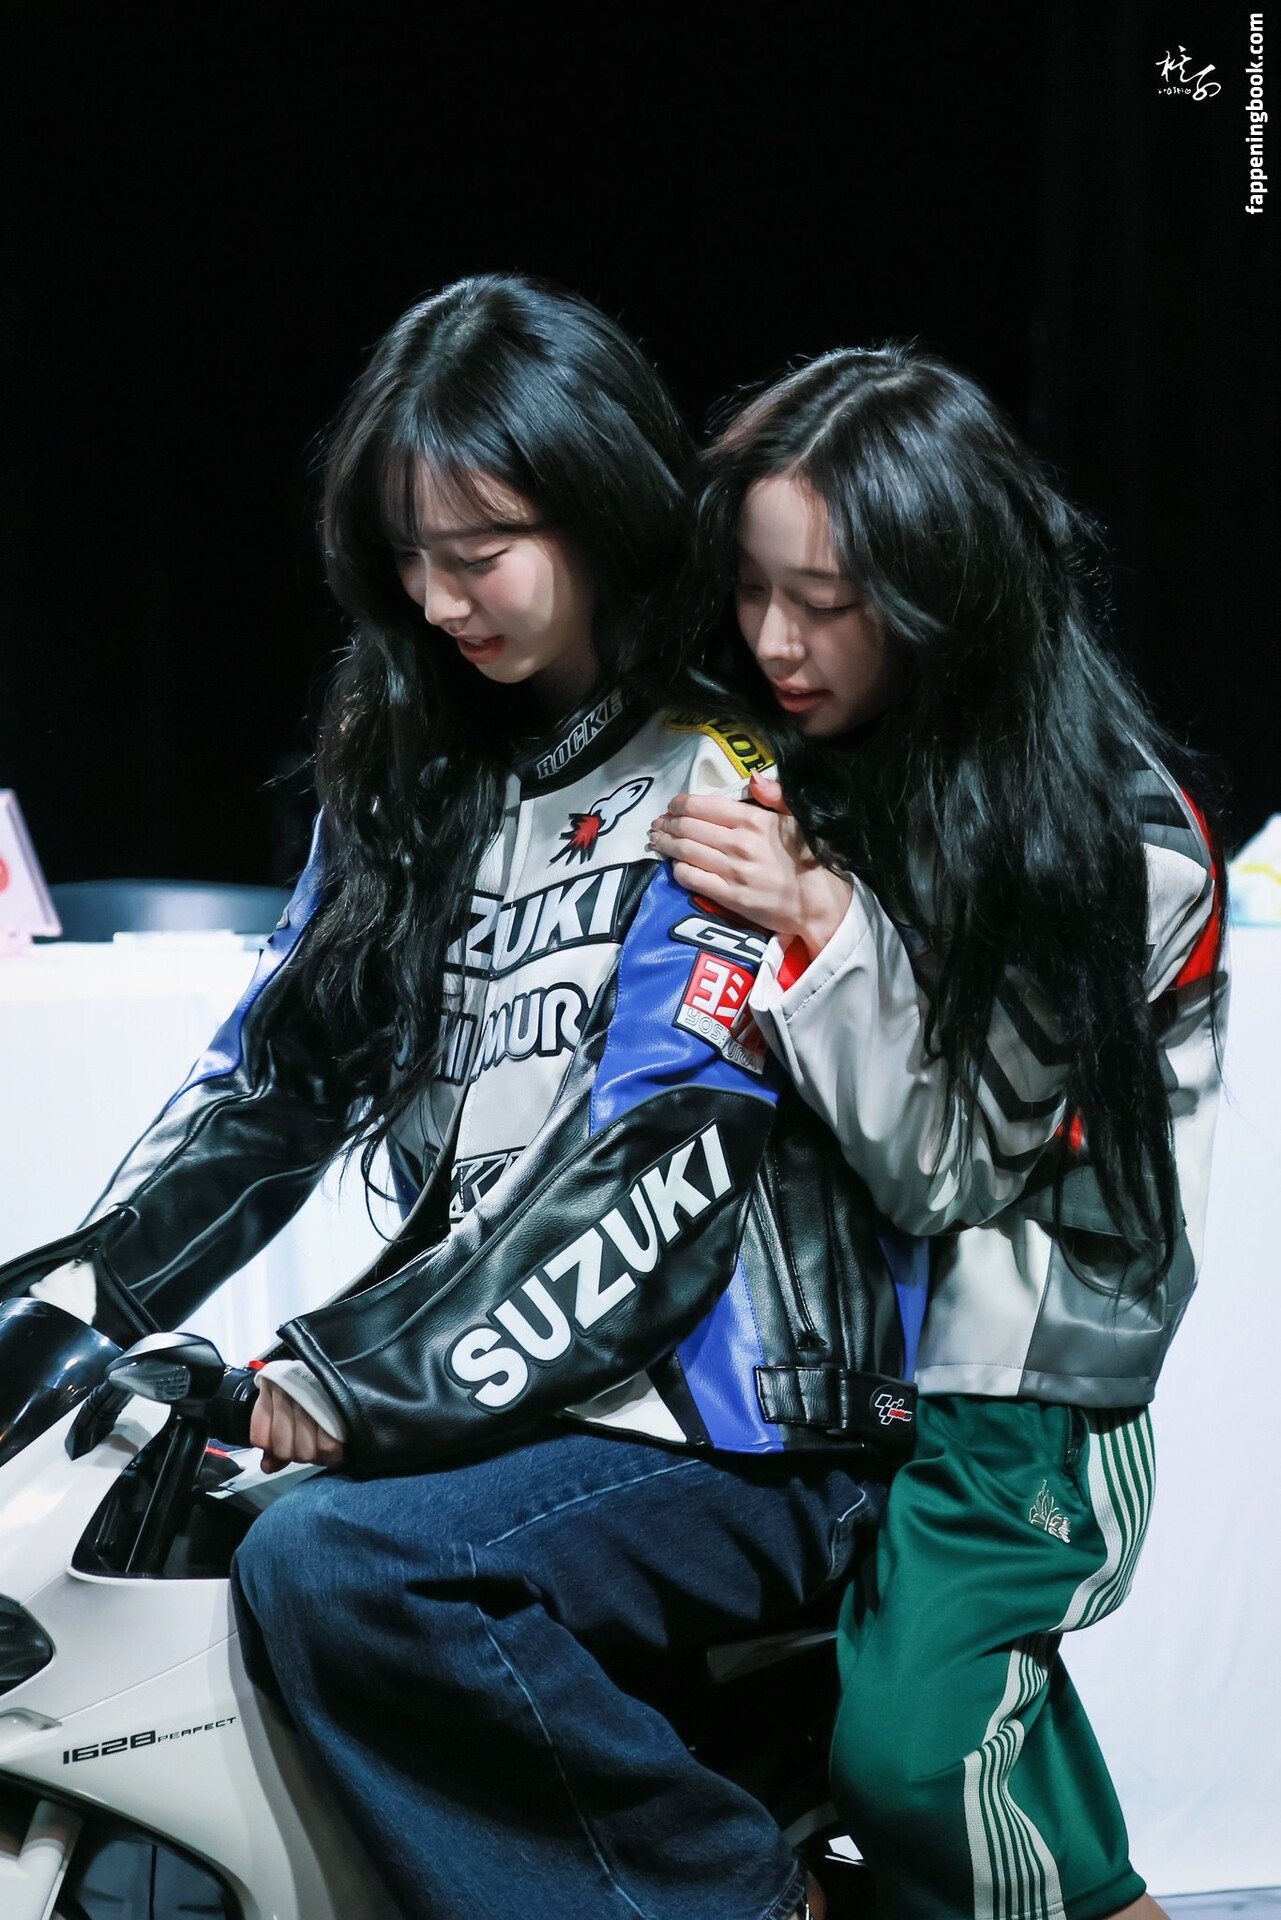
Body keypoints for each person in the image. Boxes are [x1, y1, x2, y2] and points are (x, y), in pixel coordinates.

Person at [2, 279, 918, 1920]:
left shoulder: (726, 761)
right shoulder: (413, 753)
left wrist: (366, 1378)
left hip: (743, 1424)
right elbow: (278, 1081)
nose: (435, 602)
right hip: (502, 1401)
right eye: (405, 559)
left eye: (478, 551)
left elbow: (662, 1159)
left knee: (345, 1568)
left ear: (595, 507)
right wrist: (66, 1304)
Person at [647, 344, 1226, 1920]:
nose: (774, 641)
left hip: (1014, 1386)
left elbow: (947, 1165)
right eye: (751, 588)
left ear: (947, 593)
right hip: (801, 1360)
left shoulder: (1114, 838)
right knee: (900, 1771)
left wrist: (816, 916)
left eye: (825, 602)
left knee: (912, 1761)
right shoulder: (799, 755)